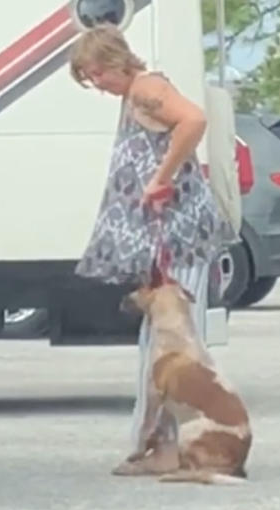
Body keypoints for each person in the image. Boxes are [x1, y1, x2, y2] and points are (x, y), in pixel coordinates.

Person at [68, 24, 237, 472]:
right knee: (159, 344)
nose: (97, 85)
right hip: (164, 238)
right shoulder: (136, 94)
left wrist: (161, 177)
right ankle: (160, 442)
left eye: (95, 74)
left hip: (176, 237)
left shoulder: (147, 88)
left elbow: (194, 119)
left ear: (112, 62)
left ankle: (175, 446)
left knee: (173, 344)